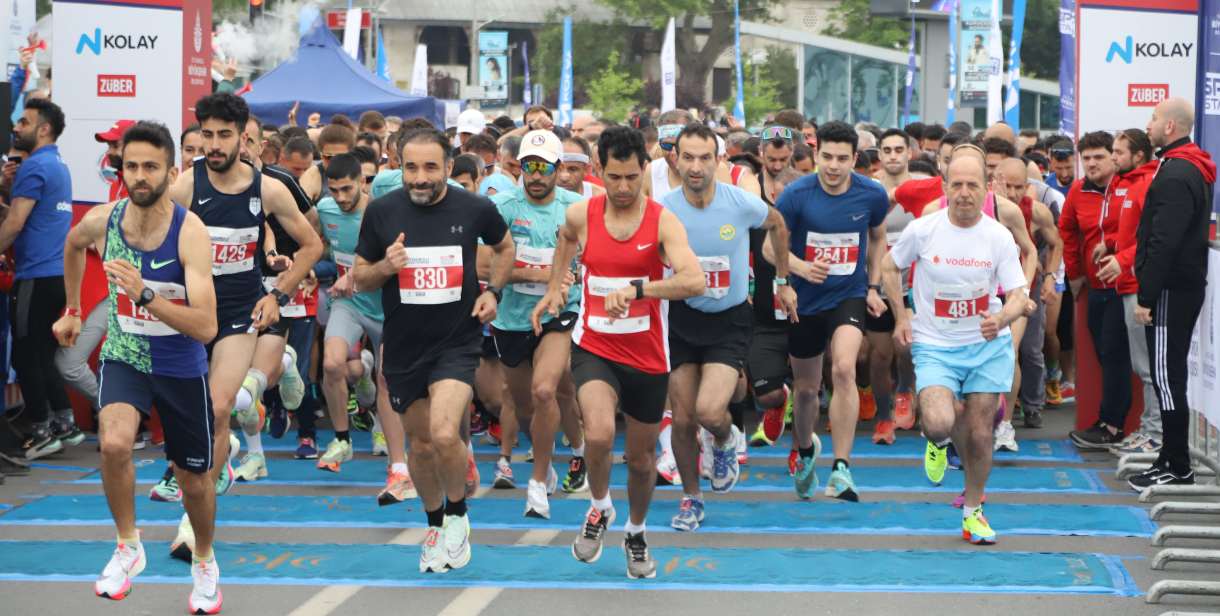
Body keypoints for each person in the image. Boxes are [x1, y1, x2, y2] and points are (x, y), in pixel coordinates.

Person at [51, 121, 222, 612]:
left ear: (172, 171)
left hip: (179, 365)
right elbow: (72, 244)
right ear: (120, 169)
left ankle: (205, 559)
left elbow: (206, 326)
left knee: (194, 481)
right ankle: (129, 545)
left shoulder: (190, 232)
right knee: (113, 443)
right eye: (131, 166)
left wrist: (145, 295)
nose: (140, 176)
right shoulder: (105, 220)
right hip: (125, 355)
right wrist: (73, 309)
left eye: (151, 167)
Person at [531, 126, 704, 578]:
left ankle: (636, 530)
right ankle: (599, 507)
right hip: (595, 347)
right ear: (598, 172)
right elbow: (566, 241)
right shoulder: (581, 213)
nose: (623, 187)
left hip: (647, 355)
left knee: (643, 459)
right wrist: (555, 287)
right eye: (614, 177)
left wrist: (641, 288)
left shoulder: (663, 220)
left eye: (631, 177)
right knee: (602, 435)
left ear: (644, 170)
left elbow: (694, 281)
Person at [165, 93, 321, 559]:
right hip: (192, 313)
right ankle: (213, 472)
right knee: (189, 417)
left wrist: (279, 294)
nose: (212, 145)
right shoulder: (185, 186)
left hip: (238, 314)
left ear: (243, 138)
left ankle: (191, 524)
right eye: (205, 136)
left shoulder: (268, 189)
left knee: (217, 407)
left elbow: (313, 244)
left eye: (223, 136)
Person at [353, 127, 515, 573]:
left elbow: (505, 247)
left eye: (430, 167)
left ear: (448, 166)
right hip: (404, 347)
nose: (420, 178)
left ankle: (459, 514)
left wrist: (494, 291)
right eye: (410, 167)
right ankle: (435, 521)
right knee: (421, 446)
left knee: (446, 434)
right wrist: (387, 265)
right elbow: (359, 277)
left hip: (457, 342)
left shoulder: (475, 207)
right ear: (397, 166)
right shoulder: (382, 213)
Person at [882, 154, 1030, 545]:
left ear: (987, 189)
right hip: (935, 344)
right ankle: (937, 440)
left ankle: (974, 511)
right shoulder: (923, 229)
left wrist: (1002, 319)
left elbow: (1018, 294)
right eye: (957, 185)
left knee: (981, 432)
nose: (964, 193)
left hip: (985, 346)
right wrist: (901, 315)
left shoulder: (998, 236)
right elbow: (887, 267)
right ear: (946, 187)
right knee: (937, 421)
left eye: (973, 186)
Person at [659, 123, 795, 531]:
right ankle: (691, 498)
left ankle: (723, 439)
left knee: (708, 411)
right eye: (688, 157)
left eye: (705, 158)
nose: (696, 167)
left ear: (718, 160)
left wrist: (784, 282)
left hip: (730, 320)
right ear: (675, 159)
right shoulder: (663, 208)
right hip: (681, 319)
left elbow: (779, 225)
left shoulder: (741, 202)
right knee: (682, 420)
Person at [773, 120, 889, 502]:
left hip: (848, 294)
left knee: (843, 368)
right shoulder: (796, 194)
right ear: (816, 153)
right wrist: (796, 272)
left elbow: (877, 237)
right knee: (806, 389)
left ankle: (842, 468)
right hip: (805, 299)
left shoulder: (871, 194)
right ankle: (805, 449)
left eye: (843, 159)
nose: (834, 166)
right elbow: (768, 249)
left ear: (856, 159)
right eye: (827, 157)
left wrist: (873, 285)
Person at [489, 130, 586, 517]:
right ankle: (567, 452)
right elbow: (486, 266)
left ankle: (537, 482)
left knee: (546, 390)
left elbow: (591, 258)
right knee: (525, 403)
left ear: (559, 169)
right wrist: (539, 275)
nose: (535, 175)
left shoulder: (576, 208)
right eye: (528, 166)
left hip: (559, 314)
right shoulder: (504, 207)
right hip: (511, 318)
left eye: (543, 168)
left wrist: (573, 277)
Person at [225, 115, 319, 483]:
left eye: (247, 140)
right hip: (226, 290)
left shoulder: (279, 183)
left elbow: (311, 228)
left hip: (276, 284)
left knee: (249, 382)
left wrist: (297, 268)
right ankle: (254, 454)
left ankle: (300, 426)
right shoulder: (208, 184)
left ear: (260, 144)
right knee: (239, 382)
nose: (241, 148)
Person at [1129, 98, 1216, 490]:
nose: (1147, 124)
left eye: (1153, 118)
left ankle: (1177, 463)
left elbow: (1164, 240)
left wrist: (1146, 296)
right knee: (1169, 376)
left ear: (1169, 127)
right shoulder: (1183, 166)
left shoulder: (1179, 173)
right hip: (1174, 287)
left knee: (1167, 378)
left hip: (1169, 291)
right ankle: (1171, 456)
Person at [2, 97, 76, 458]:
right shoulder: (57, 165)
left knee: (26, 356)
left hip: (35, 276)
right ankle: (63, 422)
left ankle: (41, 429)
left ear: (43, 129)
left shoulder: (34, 168)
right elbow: (24, 215)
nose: (16, 127)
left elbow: (14, 223)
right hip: (56, 275)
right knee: (42, 354)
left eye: (24, 122)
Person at [1061, 132, 1131, 451]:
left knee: (1117, 357)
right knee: (1106, 355)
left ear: (1114, 158)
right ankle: (1110, 423)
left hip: (1128, 287)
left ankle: (1112, 425)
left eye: (1098, 157)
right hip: (1096, 288)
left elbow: (1138, 230)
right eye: (1086, 158)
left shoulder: (1128, 187)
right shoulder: (1078, 189)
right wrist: (1075, 273)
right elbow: (1068, 231)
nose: (1090, 163)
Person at [1096, 129, 1162, 455]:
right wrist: (1110, 245)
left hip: (1139, 283)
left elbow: (1150, 239)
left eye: (1119, 152)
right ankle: (1150, 432)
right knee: (1143, 365)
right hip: (1129, 283)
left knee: (1148, 367)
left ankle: (1155, 435)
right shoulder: (1131, 183)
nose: (1113, 157)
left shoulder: (1147, 183)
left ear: (1138, 155)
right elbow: (1132, 232)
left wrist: (1122, 259)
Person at [994, 157, 1062, 433]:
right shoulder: (986, 206)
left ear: (1028, 185)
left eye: (1019, 187)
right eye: (1007, 186)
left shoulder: (1037, 211)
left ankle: (1033, 404)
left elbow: (1057, 244)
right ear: (996, 180)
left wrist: (1049, 278)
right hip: (991, 286)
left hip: (1026, 284)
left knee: (1030, 349)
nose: (1012, 193)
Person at [867, 128, 919, 442]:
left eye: (899, 149)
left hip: (913, 285)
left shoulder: (921, 188)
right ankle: (884, 417)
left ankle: (904, 391)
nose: (893, 156)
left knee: (907, 347)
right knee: (880, 354)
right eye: (887, 150)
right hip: (877, 283)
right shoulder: (870, 189)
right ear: (880, 154)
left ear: (909, 153)